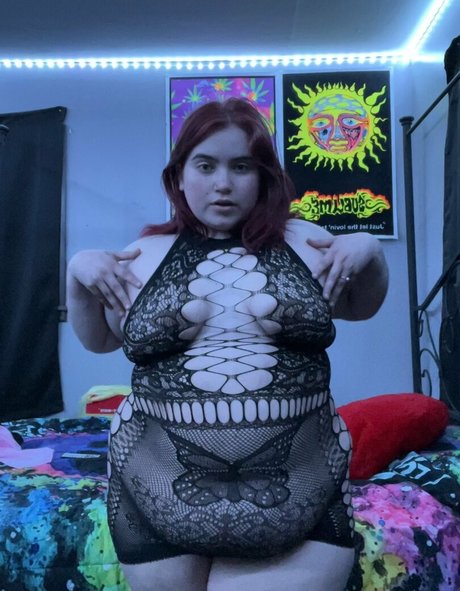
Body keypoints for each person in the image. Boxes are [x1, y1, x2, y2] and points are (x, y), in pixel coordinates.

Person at [67, 97, 388, 591]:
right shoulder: (139, 254)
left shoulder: (308, 241)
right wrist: (76, 272)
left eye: (241, 166)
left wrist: (370, 249)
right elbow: (98, 340)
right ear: (178, 177)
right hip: (156, 494)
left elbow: (362, 307)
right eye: (205, 165)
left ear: (262, 177)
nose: (223, 183)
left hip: (301, 495)